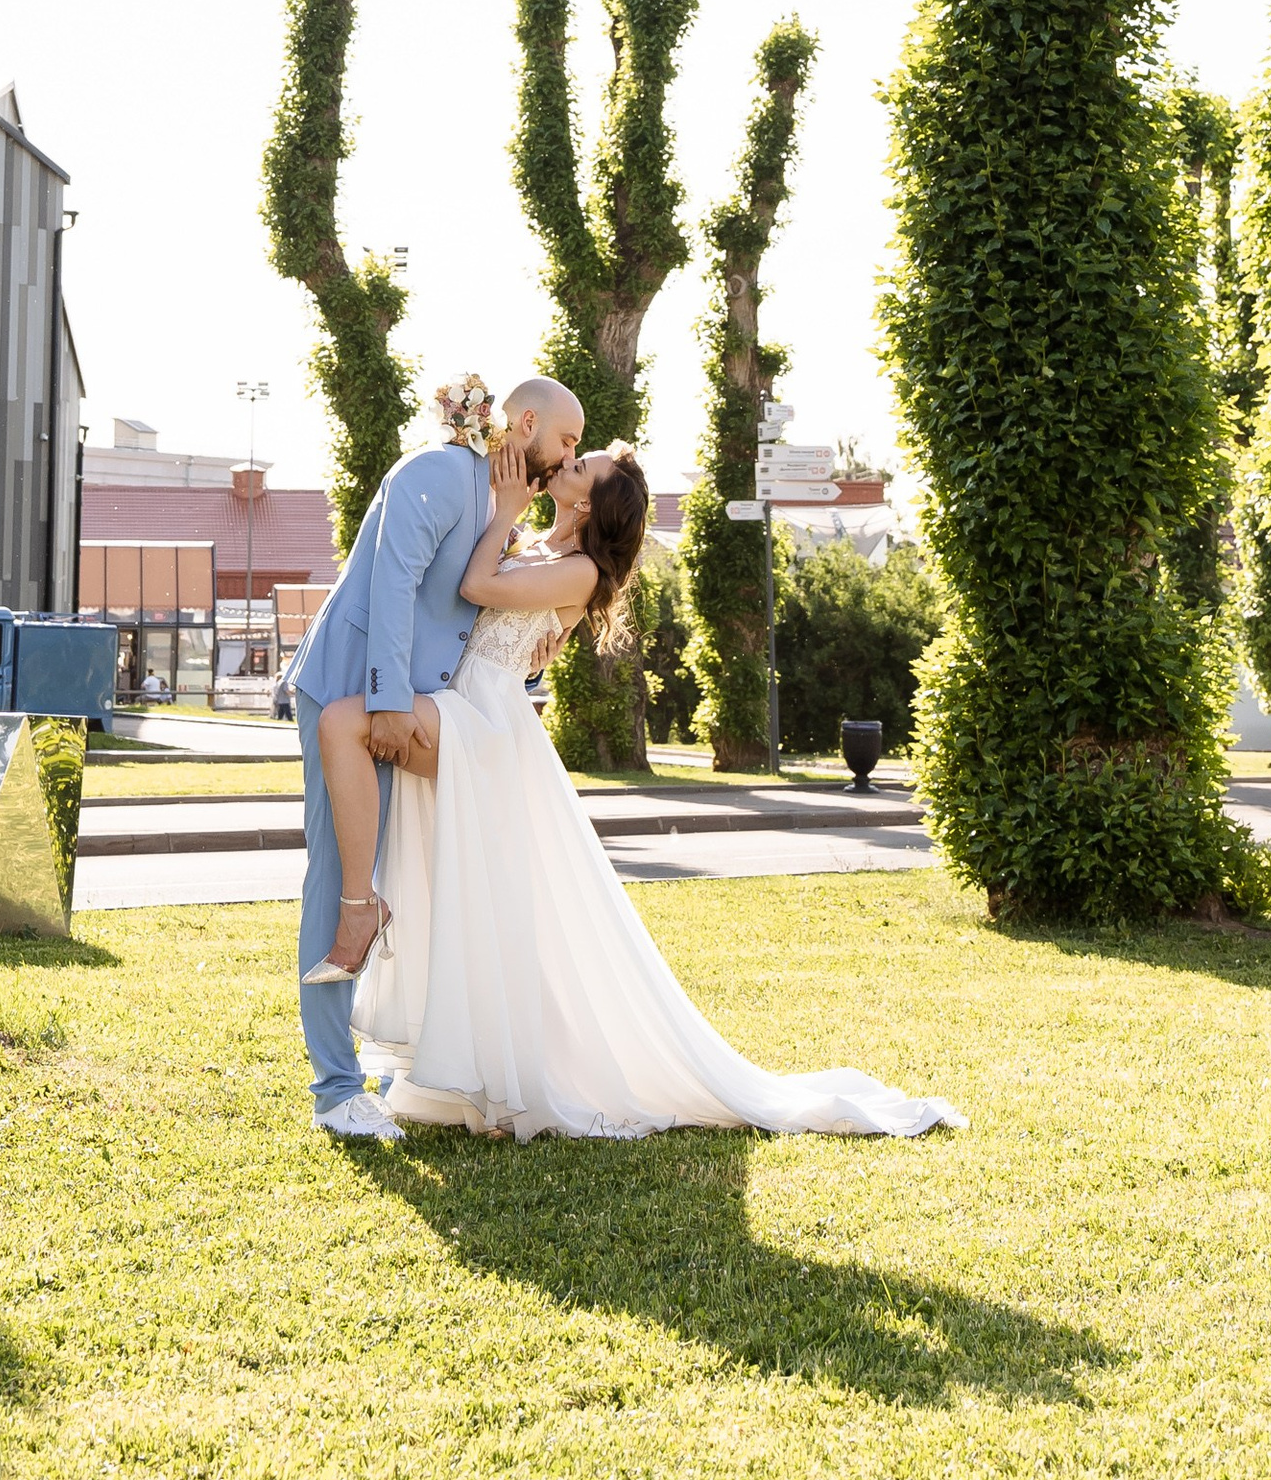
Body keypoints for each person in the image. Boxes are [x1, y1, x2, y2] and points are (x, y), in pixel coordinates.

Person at [351, 426, 964, 1142]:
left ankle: (505, 1073)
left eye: (579, 466)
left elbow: (477, 586)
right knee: (479, 897)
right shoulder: (544, 550)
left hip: (485, 729)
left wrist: (508, 509)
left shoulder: (578, 568)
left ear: (589, 505)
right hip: (470, 709)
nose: (564, 465)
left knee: (485, 888)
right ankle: (477, 1070)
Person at [287, 376, 586, 1140]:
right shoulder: (439, 473)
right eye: (568, 440)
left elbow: (472, 614)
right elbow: (393, 586)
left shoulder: (501, 508)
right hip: (354, 692)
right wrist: (385, 699)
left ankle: (402, 1060)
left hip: (417, 714)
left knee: (397, 879)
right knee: (341, 880)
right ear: (525, 423)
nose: (570, 454)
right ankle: (335, 1090)